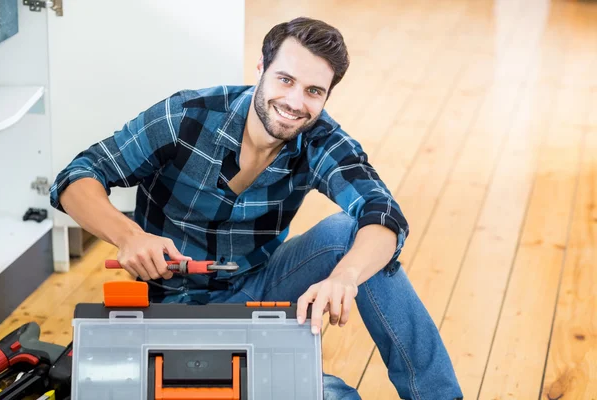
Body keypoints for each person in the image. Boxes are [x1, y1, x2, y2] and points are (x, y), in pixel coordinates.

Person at [49, 17, 463, 400]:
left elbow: (382, 212)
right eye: (285, 80)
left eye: (313, 91)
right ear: (261, 69)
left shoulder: (320, 138)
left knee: (353, 235)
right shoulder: (186, 117)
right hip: (172, 311)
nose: (295, 102)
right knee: (331, 395)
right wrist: (129, 236)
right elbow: (77, 176)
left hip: (259, 292)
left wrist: (346, 278)